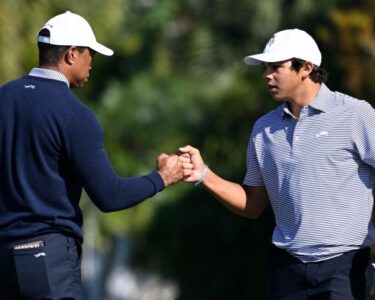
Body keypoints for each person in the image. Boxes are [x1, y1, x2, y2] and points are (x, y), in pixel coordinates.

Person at [0, 11, 187, 299]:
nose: (92, 62)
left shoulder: (4, 97)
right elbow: (110, 196)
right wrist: (163, 177)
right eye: (90, 53)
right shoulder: (75, 114)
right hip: (49, 262)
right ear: (72, 54)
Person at [179, 28, 375, 299]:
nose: (266, 75)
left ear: (306, 67)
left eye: (275, 67)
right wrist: (204, 174)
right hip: (286, 269)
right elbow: (253, 204)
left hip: (345, 266)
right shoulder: (263, 129)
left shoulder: (355, 114)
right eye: (265, 67)